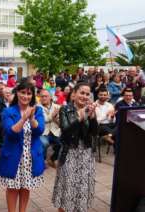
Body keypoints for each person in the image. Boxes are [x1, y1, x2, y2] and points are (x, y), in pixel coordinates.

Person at [0, 79, 45, 212]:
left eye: (29, 93)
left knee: (25, 187)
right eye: (23, 92)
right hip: (13, 156)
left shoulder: (38, 110)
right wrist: (23, 119)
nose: (26, 96)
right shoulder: (8, 111)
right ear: (17, 93)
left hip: (30, 157)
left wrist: (32, 118)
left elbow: (40, 130)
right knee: (12, 188)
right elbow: (10, 132)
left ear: (33, 95)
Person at [52, 82, 98, 212]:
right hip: (70, 153)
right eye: (81, 93)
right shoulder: (65, 109)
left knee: (82, 190)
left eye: (87, 94)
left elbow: (94, 133)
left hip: (86, 155)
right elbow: (66, 130)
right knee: (67, 190)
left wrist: (93, 118)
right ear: (74, 94)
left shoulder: (90, 110)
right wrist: (80, 117)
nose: (84, 96)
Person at [38, 89, 61, 168]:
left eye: (46, 96)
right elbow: (41, 120)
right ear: (39, 98)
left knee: (63, 142)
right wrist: (52, 117)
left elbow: (59, 121)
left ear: (50, 97)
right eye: (42, 96)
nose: (44, 98)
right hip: (43, 132)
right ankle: (43, 159)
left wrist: (57, 120)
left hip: (55, 131)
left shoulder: (57, 107)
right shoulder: (37, 108)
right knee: (44, 143)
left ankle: (53, 159)